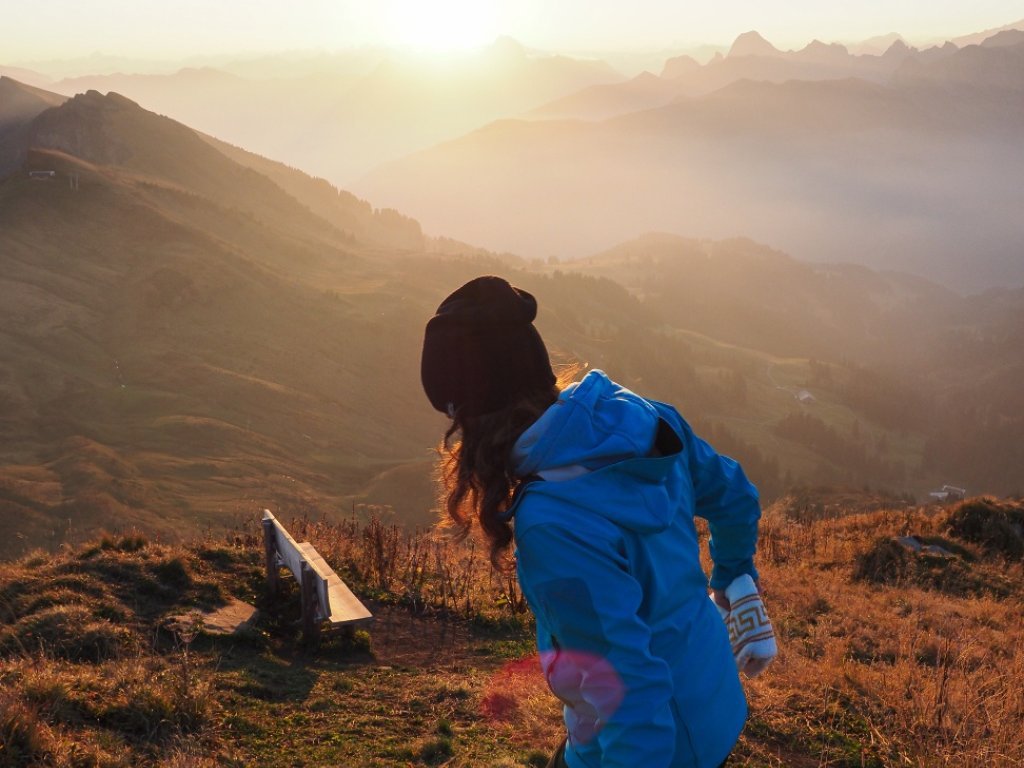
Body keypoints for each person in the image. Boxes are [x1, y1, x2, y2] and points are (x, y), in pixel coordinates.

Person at [420, 275, 773, 768]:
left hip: (657, 748)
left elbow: (631, 691)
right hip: (713, 702)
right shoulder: (644, 419)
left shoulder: (551, 522)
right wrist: (735, 576)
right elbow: (734, 496)